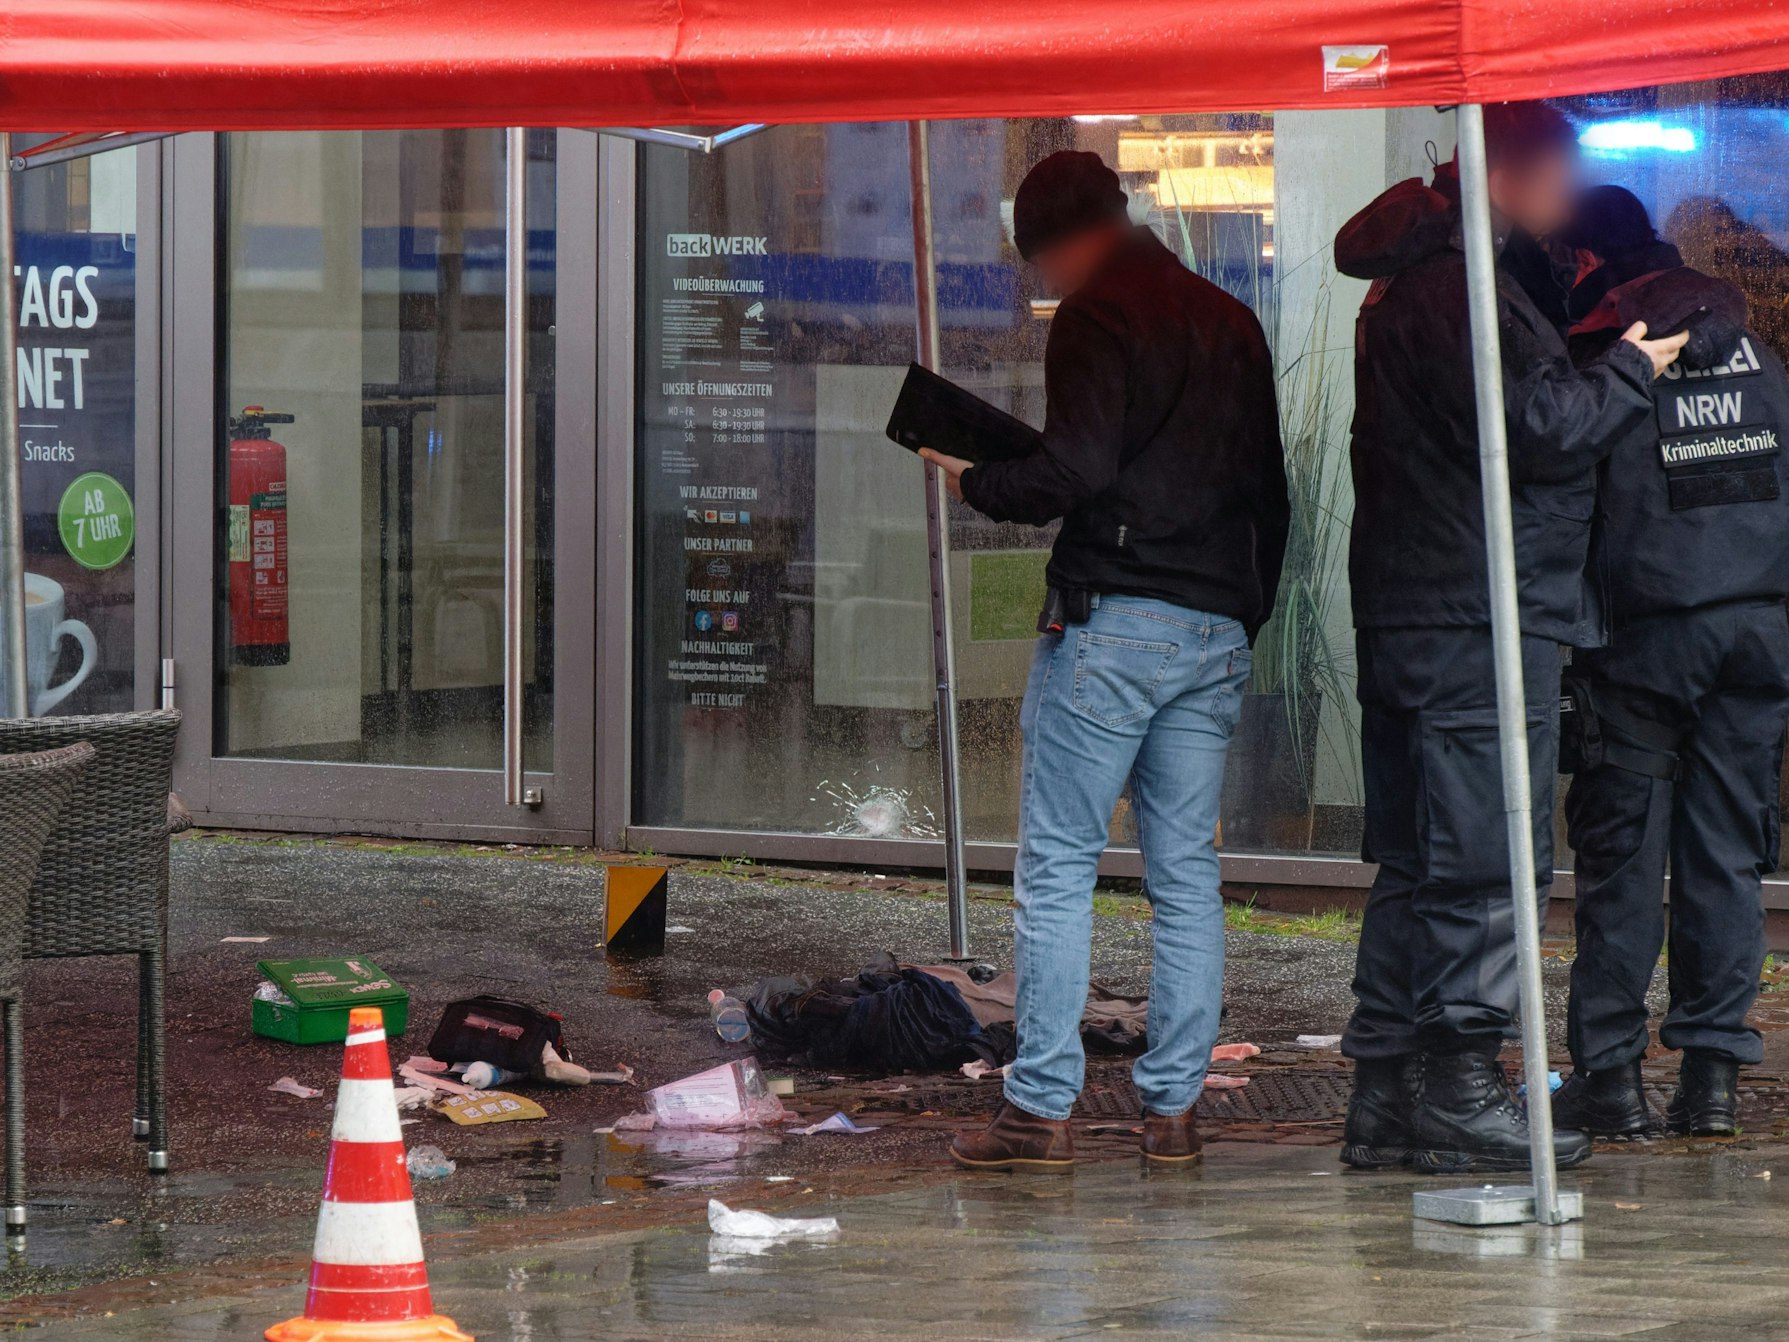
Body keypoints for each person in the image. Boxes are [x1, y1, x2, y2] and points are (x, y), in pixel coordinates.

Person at [1332, 103, 1687, 1174]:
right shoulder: (1465, 284)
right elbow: (1539, 431)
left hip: (1424, 609)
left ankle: (1387, 1094)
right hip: (1475, 614)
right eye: (1561, 173)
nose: (1569, 200)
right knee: (1486, 862)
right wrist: (1633, 365)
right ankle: (1457, 1090)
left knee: (1415, 859)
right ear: (1511, 169)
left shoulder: (1430, 275)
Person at [920, 150, 1288, 1170]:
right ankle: (1171, 1114)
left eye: (1038, 261)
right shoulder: (1228, 318)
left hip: (1113, 622)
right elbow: (1273, 494)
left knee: (1057, 871)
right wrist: (1238, 613)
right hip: (1211, 628)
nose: (1042, 283)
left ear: (1065, 239)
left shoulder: (1096, 314)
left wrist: (976, 481)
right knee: (1186, 881)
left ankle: (1036, 1113)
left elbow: (1072, 467)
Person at [1551, 186, 1789, 1138]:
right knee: (1726, 857)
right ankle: (1713, 1078)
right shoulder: (1765, 365)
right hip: (1755, 642)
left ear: (1587, 269)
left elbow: (1572, 501)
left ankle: (1610, 1080)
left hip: (1645, 648)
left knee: (1621, 861)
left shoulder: (1616, 359)